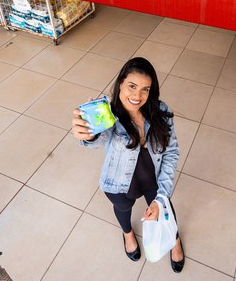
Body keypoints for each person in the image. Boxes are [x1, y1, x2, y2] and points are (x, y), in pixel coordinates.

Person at [71, 57, 185, 273]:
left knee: (165, 208)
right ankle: (127, 234)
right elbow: (96, 137)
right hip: (120, 184)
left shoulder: (160, 111)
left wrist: (161, 198)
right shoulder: (108, 113)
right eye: (132, 86)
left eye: (145, 89)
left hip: (154, 179)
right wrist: (88, 135)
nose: (137, 96)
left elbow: (171, 152)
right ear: (120, 84)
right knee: (123, 209)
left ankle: (174, 240)